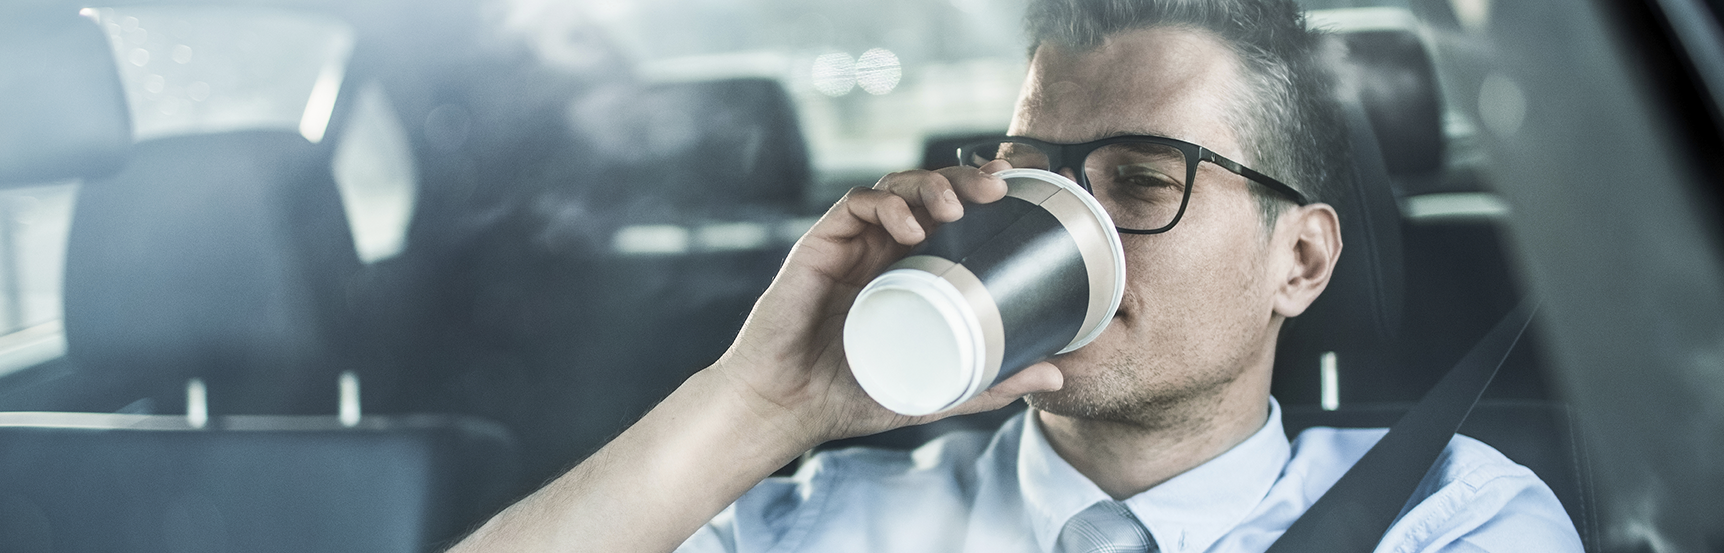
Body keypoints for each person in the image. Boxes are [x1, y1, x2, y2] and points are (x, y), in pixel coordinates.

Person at [453, 0, 1582, 552]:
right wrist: (760, 402)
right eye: (1033, 173)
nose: (1067, 219)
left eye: (1142, 181)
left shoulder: (1445, 521)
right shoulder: (826, 522)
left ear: (1300, 258)